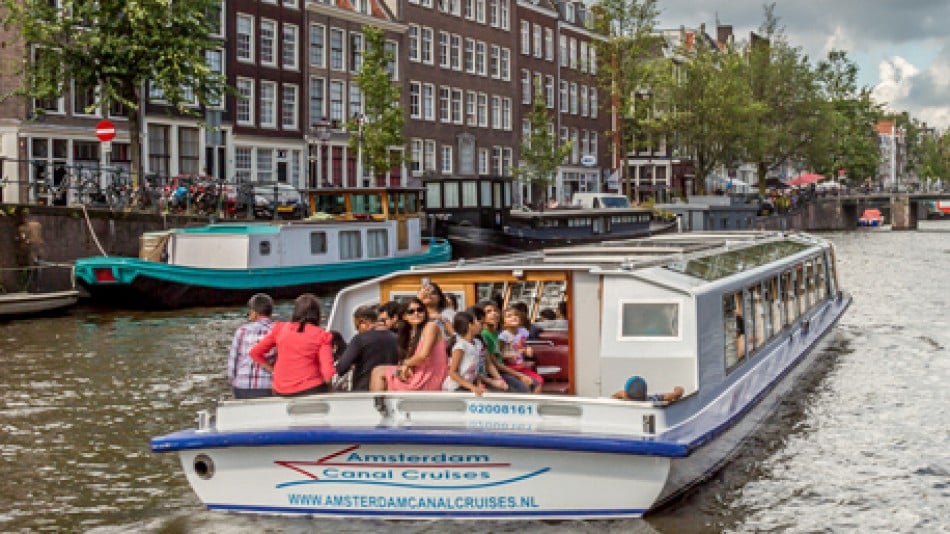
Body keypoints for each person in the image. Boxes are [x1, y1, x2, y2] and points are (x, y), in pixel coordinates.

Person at [249, 293, 335, 397]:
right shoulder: (322, 336)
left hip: (280, 389)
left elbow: (255, 352)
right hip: (311, 388)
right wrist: (330, 388)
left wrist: (273, 370)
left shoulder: (280, 329)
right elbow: (327, 374)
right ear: (317, 314)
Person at [369, 297, 448, 391]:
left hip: (431, 376)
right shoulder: (411, 333)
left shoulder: (431, 326)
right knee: (379, 372)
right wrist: (405, 367)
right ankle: (380, 403)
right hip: (419, 373)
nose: (416, 313)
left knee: (378, 372)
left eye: (420, 310)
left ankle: (375, 405)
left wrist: (405, 365)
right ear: (404, 316)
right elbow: (408, 358)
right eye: (411, 311)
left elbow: (423, 355)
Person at [335, 305, 400, 391]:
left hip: (364, 392)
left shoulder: (360, 339)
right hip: (391, 390)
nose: (357, 330)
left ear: (364, 322)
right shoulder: (397, 338)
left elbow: (341, 368)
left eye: (357, 326)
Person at [227, 293, 276, 399]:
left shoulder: (241, 331)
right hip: (267, 387)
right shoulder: (277, 331)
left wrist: (234, 384)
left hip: (242, 388)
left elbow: (232, 367)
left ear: (254, 313)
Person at [442, 311, 489, 395]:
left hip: (468, 386)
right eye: (477, 322)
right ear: (470, 325)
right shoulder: (461, 346)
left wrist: (478, 384)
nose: (480, 325)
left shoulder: (477, 343)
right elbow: (453, 372)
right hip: (456, 388)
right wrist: (472, 387)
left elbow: (475, 369)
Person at [611, 376, 684, 402]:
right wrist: (678, 389)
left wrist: (625, 396)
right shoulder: (652, 400)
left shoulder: (624, 399)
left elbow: (614, 396)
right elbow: (677, 394)